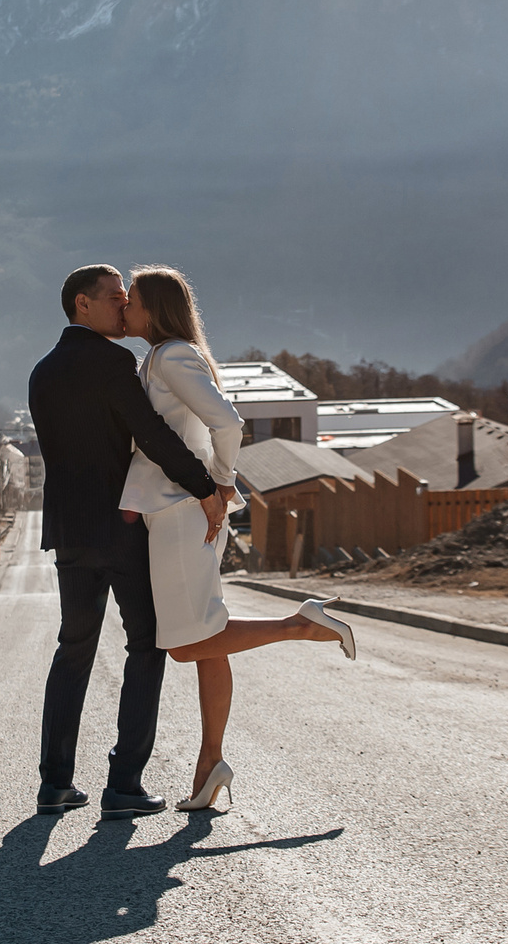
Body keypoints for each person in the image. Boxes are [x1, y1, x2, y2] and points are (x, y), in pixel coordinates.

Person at [119, 265, 354, 814]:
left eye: (132, 299)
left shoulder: (172, 355)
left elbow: (227, 423)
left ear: (154, 309)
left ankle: (301, 624)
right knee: (208, 640)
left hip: (182, 511)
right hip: (178, 510)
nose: (125, 306)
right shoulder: (159, 357)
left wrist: (222, 483)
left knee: (185, 645)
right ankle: (211, 763)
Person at [27, 264, 232, 820]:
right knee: (145, 646)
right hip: (121, 528)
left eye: (126, 297)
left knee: (73, 649)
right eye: (115, 297)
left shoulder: (41, 372)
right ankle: (124, 785)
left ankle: (54, 784)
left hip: (70, 531)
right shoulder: (114, 363)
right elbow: (153, 435)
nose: (124, 306)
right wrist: (207, 488)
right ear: (82, 303)